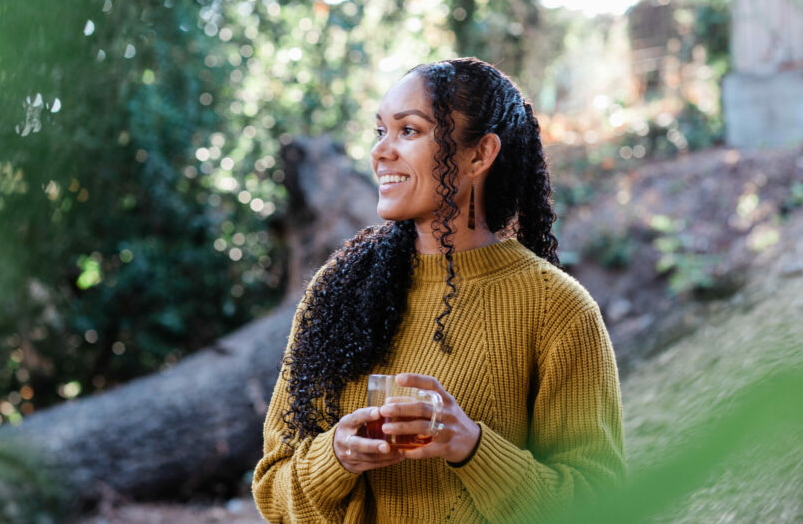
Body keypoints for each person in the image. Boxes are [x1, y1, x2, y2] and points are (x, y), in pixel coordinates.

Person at [253, 57, 625, 523]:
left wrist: (470, 445)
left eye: (409, 131)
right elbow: (271, 491)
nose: (382, 152)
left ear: (479, 154)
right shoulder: (339, 289)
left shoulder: (557, 309)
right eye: (380, 131)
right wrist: (337, 457)